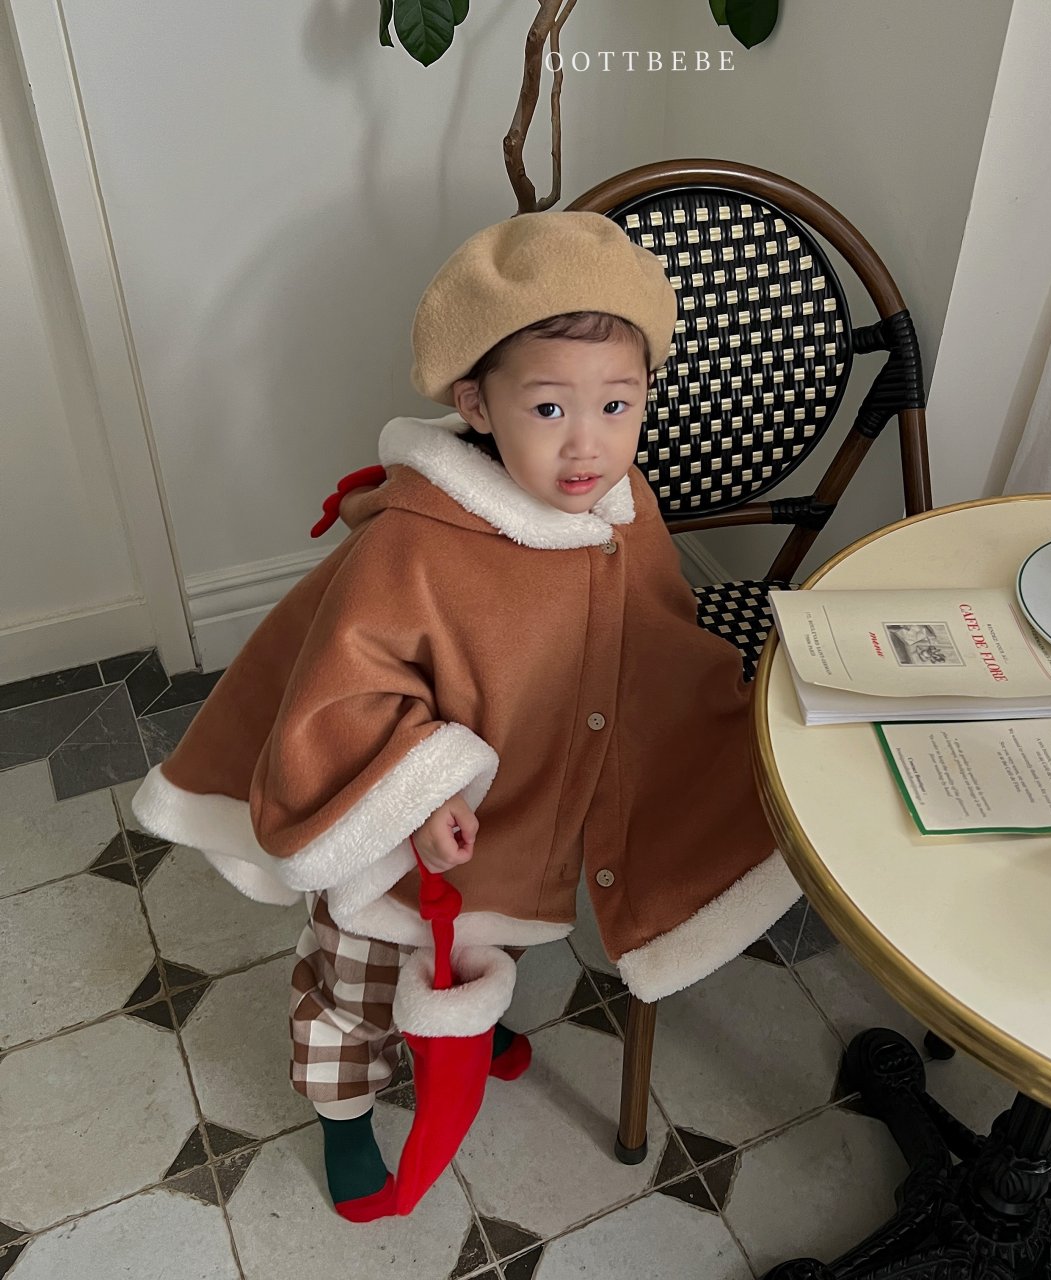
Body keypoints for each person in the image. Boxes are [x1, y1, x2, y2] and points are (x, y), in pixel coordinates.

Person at [132, 211, 800, 1221]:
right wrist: (421, 789)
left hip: (518, 826)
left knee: (493, 940)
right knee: (354, 984)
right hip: (395, 846)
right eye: (549, 407)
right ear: (477, 404)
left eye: (618, 403)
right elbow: (343, 695)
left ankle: (469, 1025)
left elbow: (657, 646)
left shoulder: (621, 513)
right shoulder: (415, 543)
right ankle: (344, 1111)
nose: (588, 442)